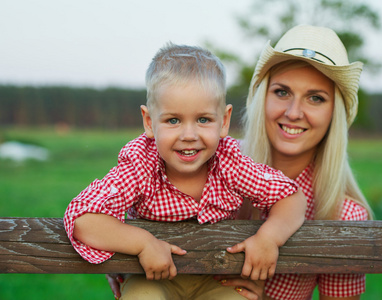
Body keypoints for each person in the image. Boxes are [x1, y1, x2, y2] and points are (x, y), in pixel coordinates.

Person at [64, 42, 307, 300]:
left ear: (223, 122)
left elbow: (291, 197)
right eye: (173, 120)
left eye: (203, 120)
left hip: (216, 276)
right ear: (149, 122)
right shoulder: (141, 166)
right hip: (153, 275)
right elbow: (83, 218)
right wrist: (144, 243)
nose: (189, 135)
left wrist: (269, 238)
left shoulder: (230, 163)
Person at [214, 25, 374, 300]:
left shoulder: (343, 216)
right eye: (282, 92)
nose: (293, 112)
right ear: (262, 97)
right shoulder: (216, 164)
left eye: (316, 98)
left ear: (334, 113)